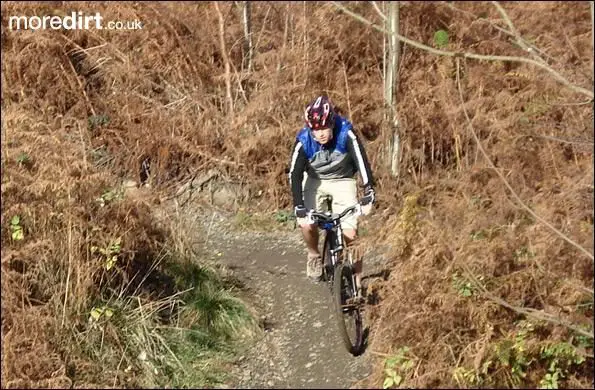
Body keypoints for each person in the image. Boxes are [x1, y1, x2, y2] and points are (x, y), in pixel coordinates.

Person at [287, 94, 376, 291]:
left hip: (343, 180)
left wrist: (369, 189)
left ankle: (357, 278)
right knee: (308, 224)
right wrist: (298, 206)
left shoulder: (346, 133)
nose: (320, 134)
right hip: (315, 180)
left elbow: (362, 161)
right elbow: (294, 174)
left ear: (332, 124)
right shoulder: (303, 141)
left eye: (325, 128)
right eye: (316, 130)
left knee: (350, 231)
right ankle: (313, 254)